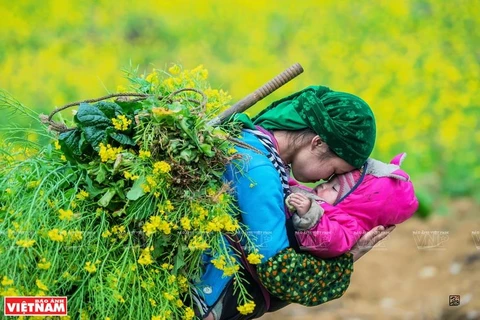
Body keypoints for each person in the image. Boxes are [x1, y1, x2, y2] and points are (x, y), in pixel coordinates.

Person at [195, 85, 393, 320]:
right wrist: (350, 255)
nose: (324, 180)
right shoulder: (259, 170)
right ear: (318, 143)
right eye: (334, 170)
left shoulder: (249, 141)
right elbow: (279, 272)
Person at [284, 152, 419, 259]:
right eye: (330, 181)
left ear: (354, 207)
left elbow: (329, 242)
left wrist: (310, 215)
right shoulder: (319, 201)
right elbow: (293, 188)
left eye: (334, 188)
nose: (323, 184)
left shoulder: (348, 225)